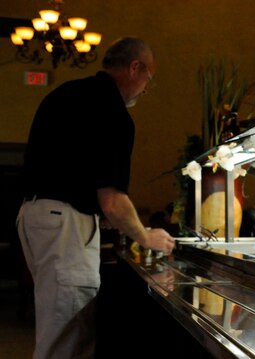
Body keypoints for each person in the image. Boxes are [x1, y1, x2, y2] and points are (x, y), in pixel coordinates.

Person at [16, 37, 175, 359]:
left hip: (35, 216)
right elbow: (112, 201)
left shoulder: (66, 92)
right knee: (67, 339)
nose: (146, 88)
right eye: (149, 78)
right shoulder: (111, 110)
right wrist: (146, 236)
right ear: (135, 67)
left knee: (56, 331)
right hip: (64, 223)